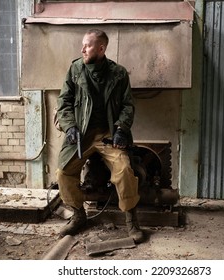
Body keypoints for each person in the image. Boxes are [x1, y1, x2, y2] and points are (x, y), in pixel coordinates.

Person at [55, 29, 144, 243]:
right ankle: (78, 215)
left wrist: (122, 128)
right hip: (82, 133)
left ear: (101, 48)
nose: (82, 49)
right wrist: (69, 127)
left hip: (108, 134)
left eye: (87, 45)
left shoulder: (119, 73)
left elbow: (127, 105)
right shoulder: (75, 69)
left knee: (124, 171)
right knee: (63, 172)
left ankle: (131, 219)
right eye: (83, 45)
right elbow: (64, 102)